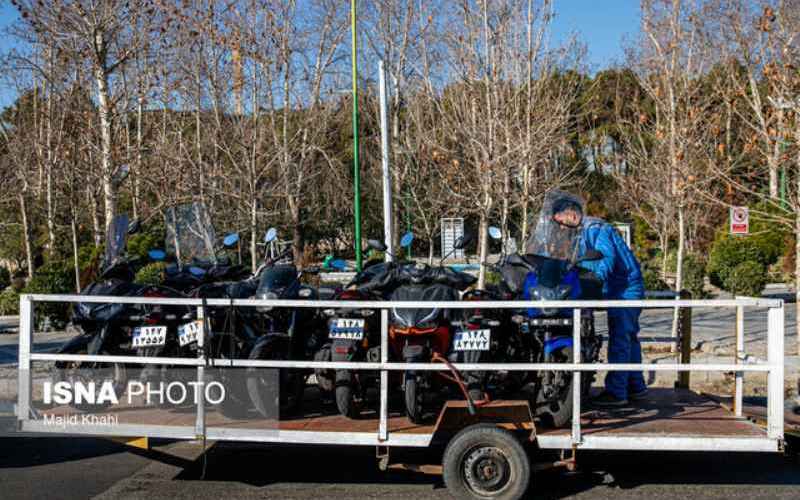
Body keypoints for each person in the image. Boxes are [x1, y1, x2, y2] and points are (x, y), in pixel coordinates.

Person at [549, 193, 647, 407]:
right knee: (629, 338)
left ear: (570, 214)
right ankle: (635, 387)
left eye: (561, 222)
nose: (562, 228)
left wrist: (592, 281)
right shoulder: (585, 231)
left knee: (620, 338)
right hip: (623, 286)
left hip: (624, 289)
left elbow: (605, 258)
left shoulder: (594, 229)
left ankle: (617, 393)